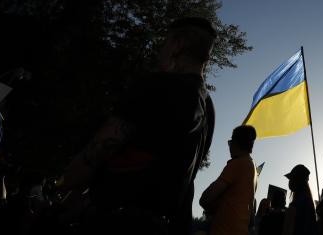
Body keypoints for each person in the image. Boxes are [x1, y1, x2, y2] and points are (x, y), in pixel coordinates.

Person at [58, 17, 217, 235]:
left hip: (115, 222)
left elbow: (100, 149)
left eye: (165, 42)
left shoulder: (157, 85)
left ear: (178, 45)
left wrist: (64, 185)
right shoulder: (208, 109)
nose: (160, 50)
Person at [200, 125, 257, 235]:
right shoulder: (252, 168)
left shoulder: (237, 164)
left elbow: (205, 198)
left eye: (230, 143)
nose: (229, 147)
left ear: (235, 143)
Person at [282, 164, 318, 235]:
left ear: (297, 179)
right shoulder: (308, 201)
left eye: (291, 178)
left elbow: (288, 231)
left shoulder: (296, 204)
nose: (289, 181)